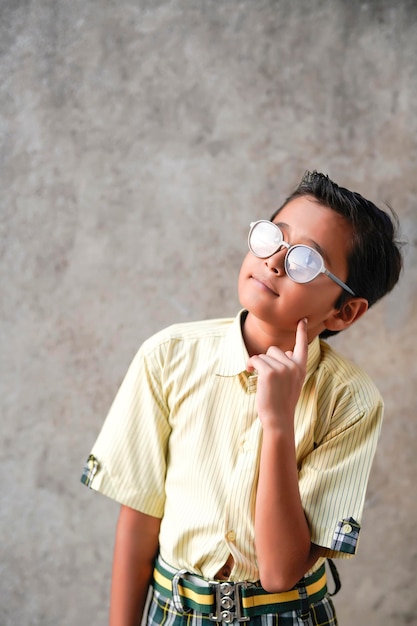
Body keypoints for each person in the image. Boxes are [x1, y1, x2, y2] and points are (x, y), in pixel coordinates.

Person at [81, 171, 403, 626]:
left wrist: (278, 424)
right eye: (274, 238)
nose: (274, 262)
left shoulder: (350, 402)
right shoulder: (168, 357)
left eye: (306, 262)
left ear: (344, 311)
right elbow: (138, 524)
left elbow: (279, 572)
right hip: (171, 612)